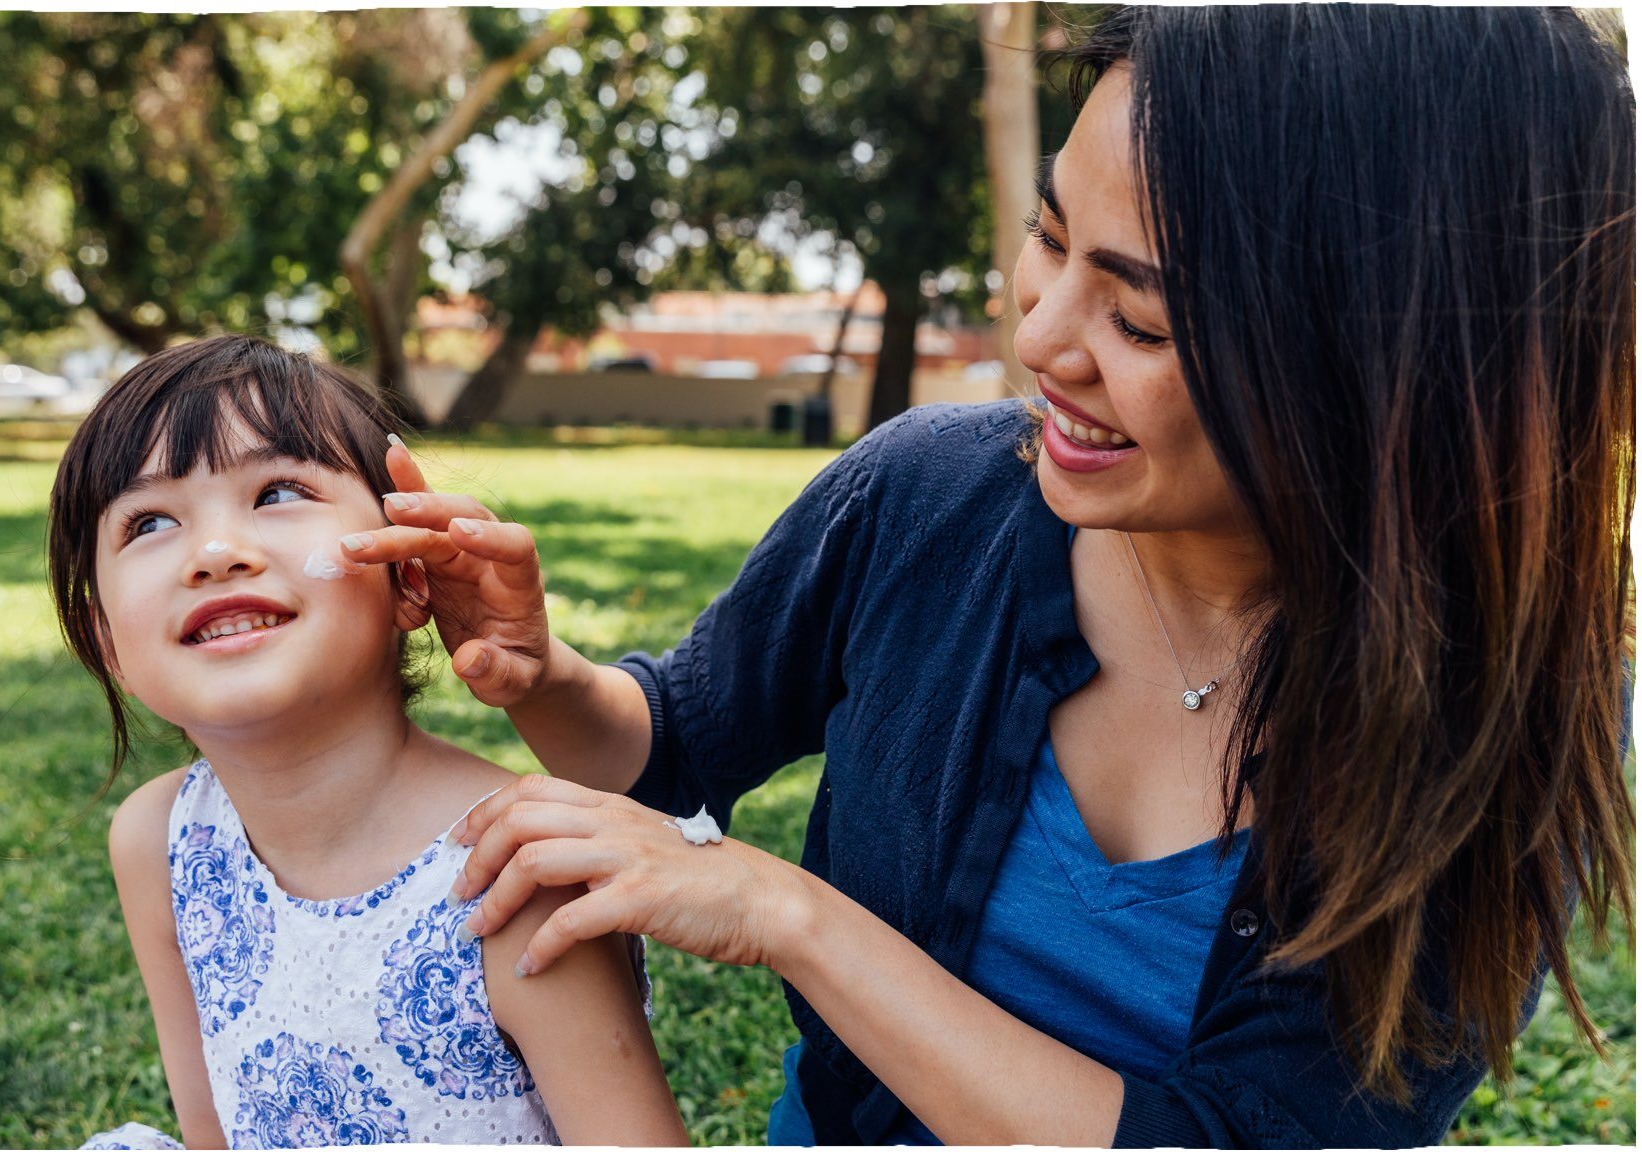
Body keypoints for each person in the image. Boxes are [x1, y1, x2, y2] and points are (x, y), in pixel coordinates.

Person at [338, 7, 1636, 1147]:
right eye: (1049, 237)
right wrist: (541, 675)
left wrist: (792, 916)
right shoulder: (926, 498)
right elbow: (671, 740)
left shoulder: (1501, 732)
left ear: (1384, 375)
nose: (1040, 339)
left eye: (1142, 319)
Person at [46, 334, 689, 1148]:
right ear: (110, 647)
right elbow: (210, 1133)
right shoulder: (159, 842)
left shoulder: (517, 867)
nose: (213, 554)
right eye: (148, 522)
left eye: (277, 492)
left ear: (410, 574)